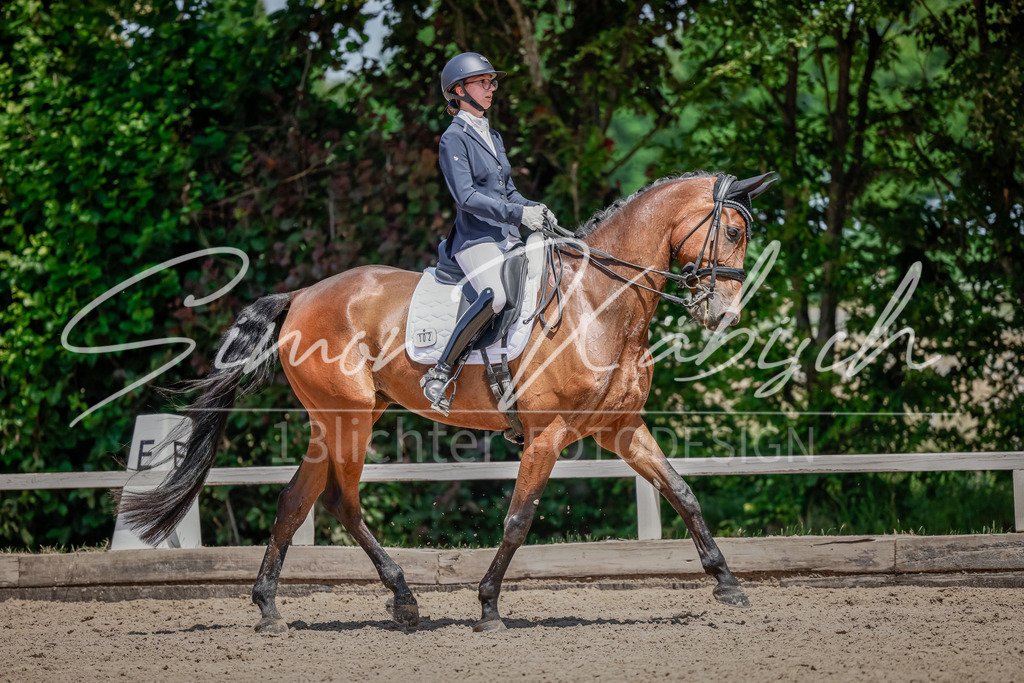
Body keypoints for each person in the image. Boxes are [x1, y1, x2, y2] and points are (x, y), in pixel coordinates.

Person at [421, 51, 555, 413]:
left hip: (506, 236)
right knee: (495, 296)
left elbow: (506, 190)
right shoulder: (454, 138)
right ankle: (441, 370)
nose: (491, 88)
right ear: (459, 90)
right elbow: (467, 197)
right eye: (483, 82)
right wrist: (517, 213)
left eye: (491, 82)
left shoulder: (491, 135)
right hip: (475, 239)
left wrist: (532, 209)